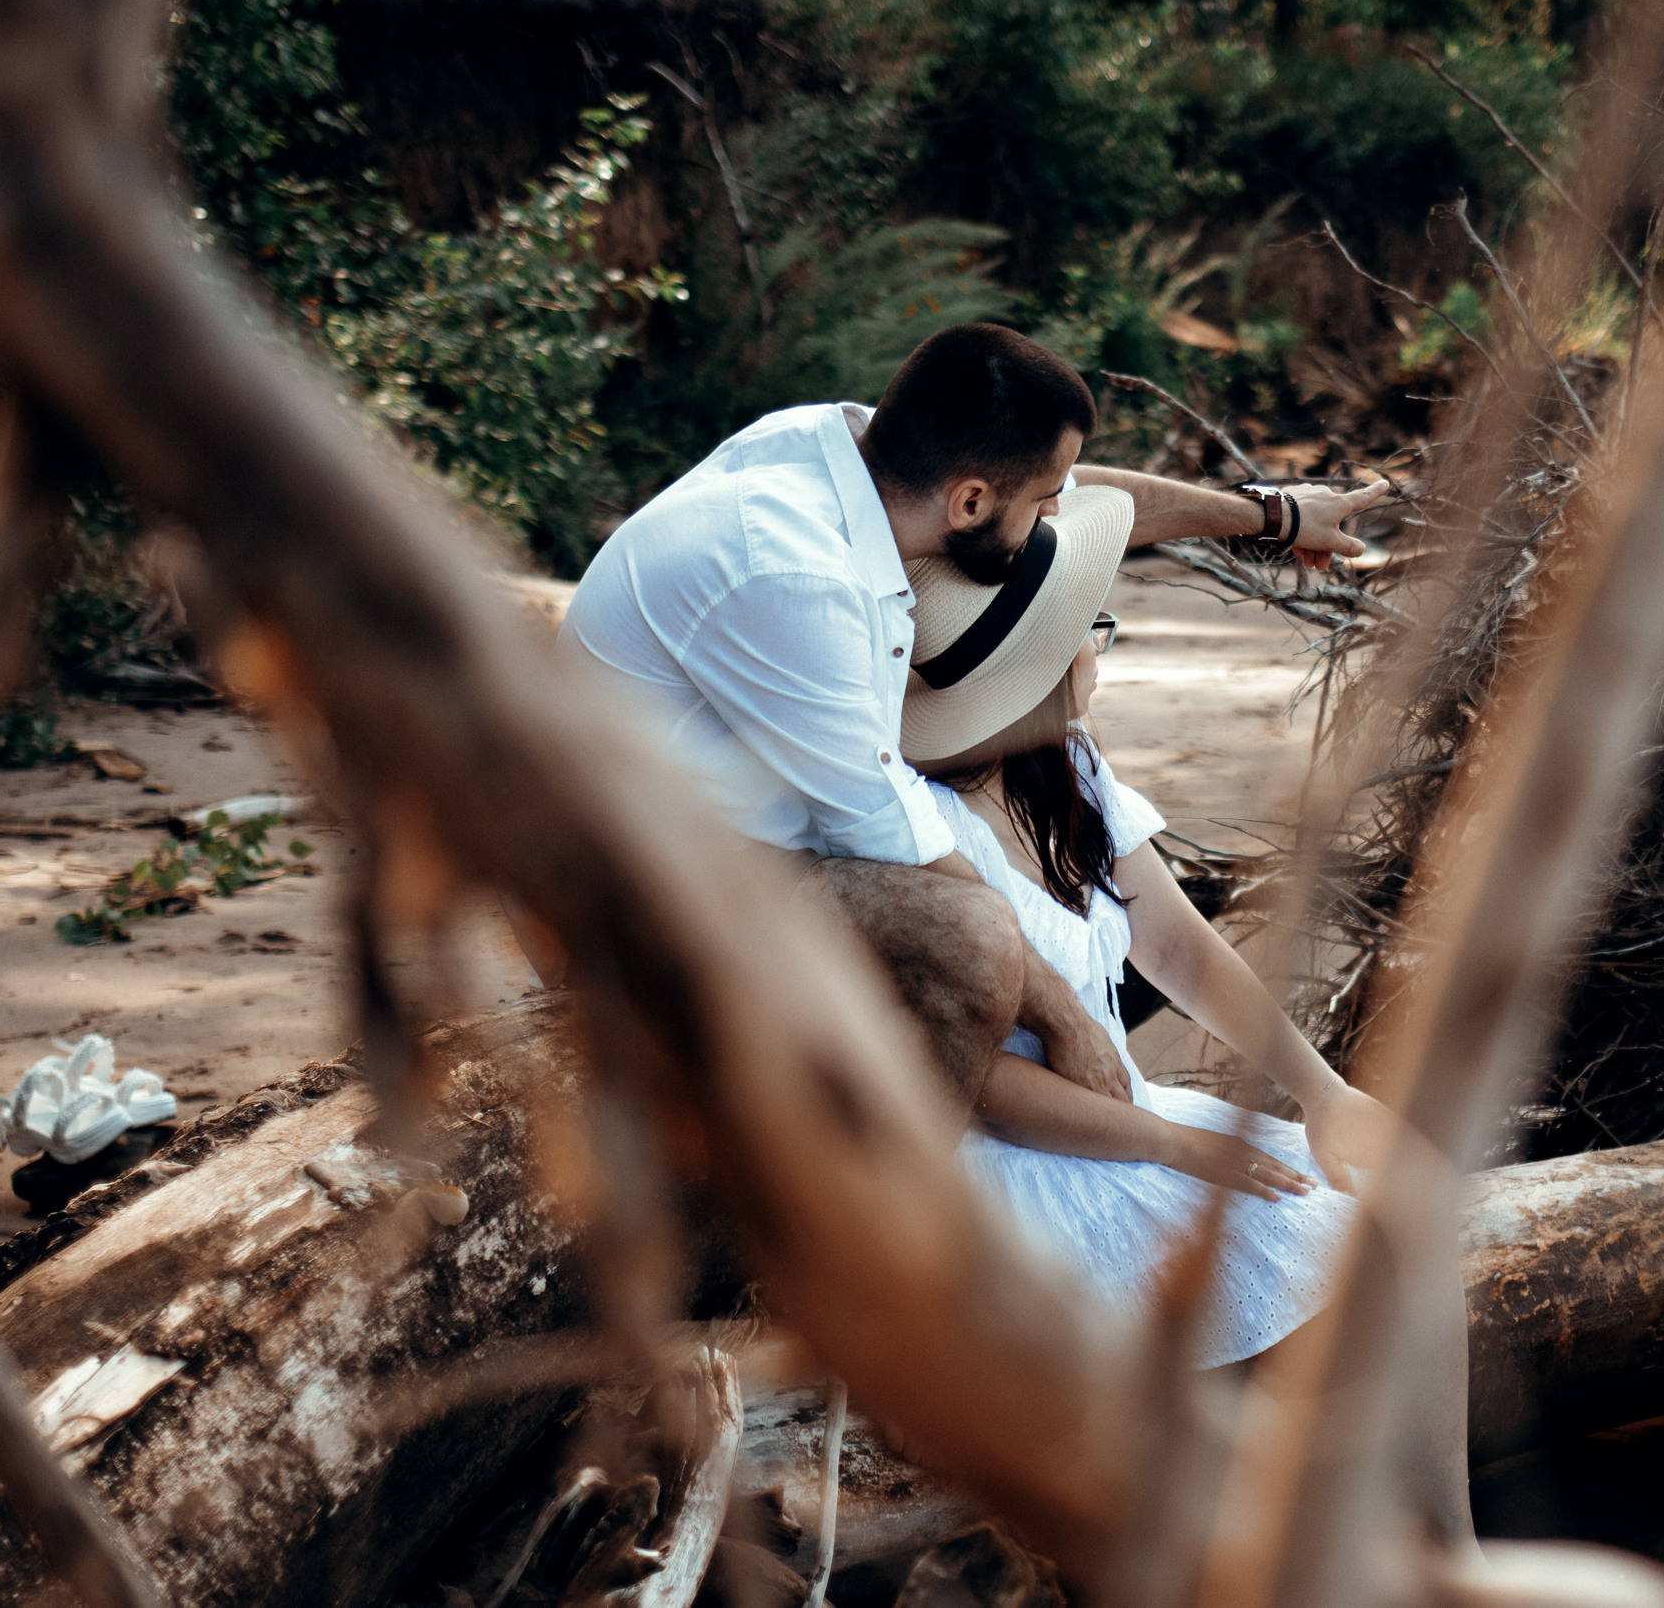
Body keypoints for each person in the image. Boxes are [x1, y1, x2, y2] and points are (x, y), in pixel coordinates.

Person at [557, 325, 1385, 1106]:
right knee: (975, 931)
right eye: (1043, 502)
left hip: (714, 846)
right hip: (634, 901)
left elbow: (1088, 498)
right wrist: (1070, 1023)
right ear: (970, 503)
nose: (1057, 515)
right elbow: (886, 831)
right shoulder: (795, 573)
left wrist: (1271, 514)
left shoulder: (858, 455)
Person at [897, 486, 1472, 1541]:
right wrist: (1171, 1146)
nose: (1097, 649)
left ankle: (1449, 1551)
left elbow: (1174, 943)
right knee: (1294, 1280)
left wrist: (1324, 1090)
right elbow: (979, 1090)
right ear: (1023, 666)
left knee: (1404, 1215)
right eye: (1090, 630)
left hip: (1125, 1123)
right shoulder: (913, 834)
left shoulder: (1064, 765)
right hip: (1017, 1173)